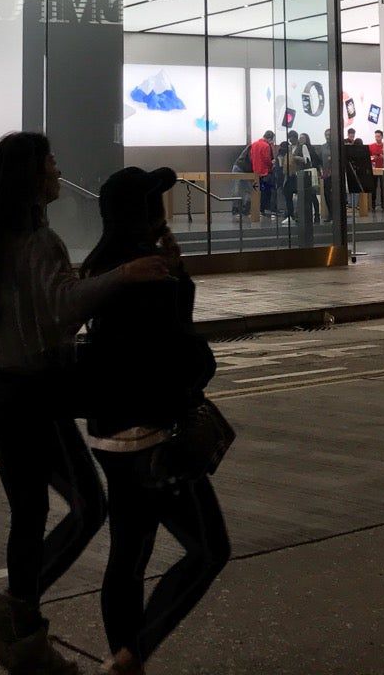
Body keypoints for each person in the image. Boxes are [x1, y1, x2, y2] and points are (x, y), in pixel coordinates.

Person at [0, 132, 169, 674]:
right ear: (34, 175)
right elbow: (61, 308)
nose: (58, 169)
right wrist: (123, 275)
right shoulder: (39, 242)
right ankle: (14, 615)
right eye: (51, 161)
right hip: (31, 392)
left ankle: (21, 628)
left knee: (31, 514)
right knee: (84, 505)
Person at [81, 167, 230, 675]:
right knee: (209, 549)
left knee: (129, 551)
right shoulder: (149, 271)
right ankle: (130, 654)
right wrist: (177, 276)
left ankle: (125, 657)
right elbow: (182, 346)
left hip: (108, 430)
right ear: (143, 212)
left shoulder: (102, 264)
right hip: (151, 432)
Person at [248, 129, 276, 218]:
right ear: (270, 138)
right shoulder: (266, 146)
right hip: (265, 172)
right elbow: (267, 159)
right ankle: (263, 209)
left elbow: (251, 157)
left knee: (256, 191)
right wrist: (272, 164)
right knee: (265, 192)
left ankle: (255, 209)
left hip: (256, 172)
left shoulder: (254, 144)